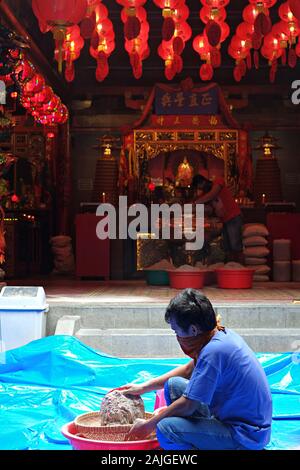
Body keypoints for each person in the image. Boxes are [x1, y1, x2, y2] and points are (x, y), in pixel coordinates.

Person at [119, 289, 272, 450]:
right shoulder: (218, 335)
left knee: (165, 428)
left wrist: (148, 426)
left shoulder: (214, 351)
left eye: (176, 331)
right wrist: (144, 387)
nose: (176, 336)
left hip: (245, 435)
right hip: (229, 417)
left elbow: (188, 405)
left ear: (193, 330)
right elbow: (188, 370)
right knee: (173, 386)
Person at [192, 174, 244, 263]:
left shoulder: (218, 181)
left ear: (203, 182)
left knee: (235, 246)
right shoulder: (206, 194)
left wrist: (196, 202)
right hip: (225, 220)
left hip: (233, 217)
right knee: (227, 247)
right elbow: (209, 208)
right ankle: (230, 269)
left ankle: (241, 270)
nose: (201, 189)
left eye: (200, 187)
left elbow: (213, 194)